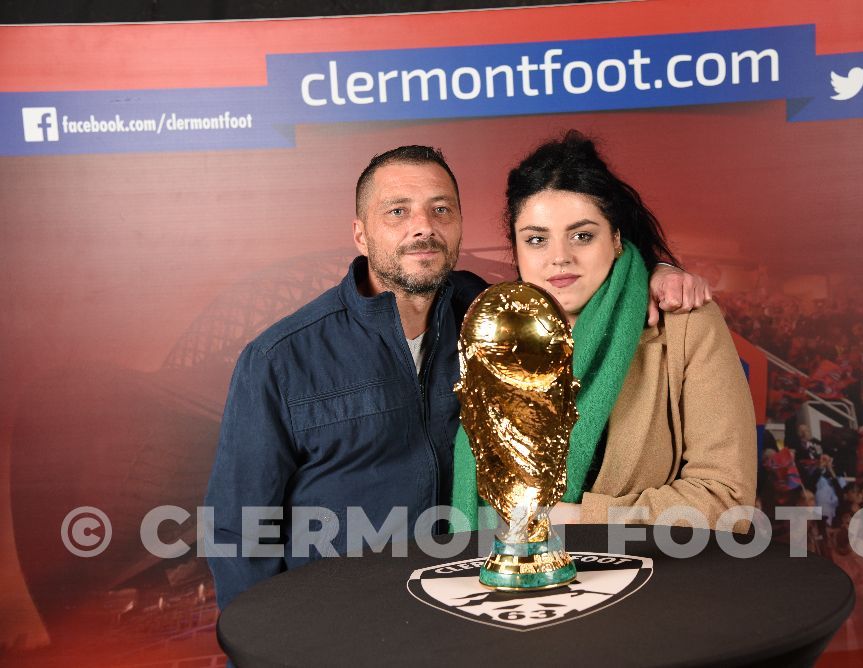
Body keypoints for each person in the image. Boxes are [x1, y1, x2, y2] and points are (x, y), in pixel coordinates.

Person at [205, 144, 711, 610]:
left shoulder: (493, 316)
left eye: (440, 209)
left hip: (466, 614)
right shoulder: (281, 358)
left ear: (460, 224)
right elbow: (238, 532)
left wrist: (654, 272)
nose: (422, 227)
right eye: (398, 211)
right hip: (341, 626)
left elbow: (574, 264)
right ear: (361, 233)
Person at [452, 132, 756, 529]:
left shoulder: (684, 323)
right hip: (511, 579)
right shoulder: (493, 334)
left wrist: (580, 519)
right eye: (537, 240)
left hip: (651, 580)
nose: (560, 257)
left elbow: (727, 499)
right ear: (516, 249)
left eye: (582, 235)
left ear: (615, 239)